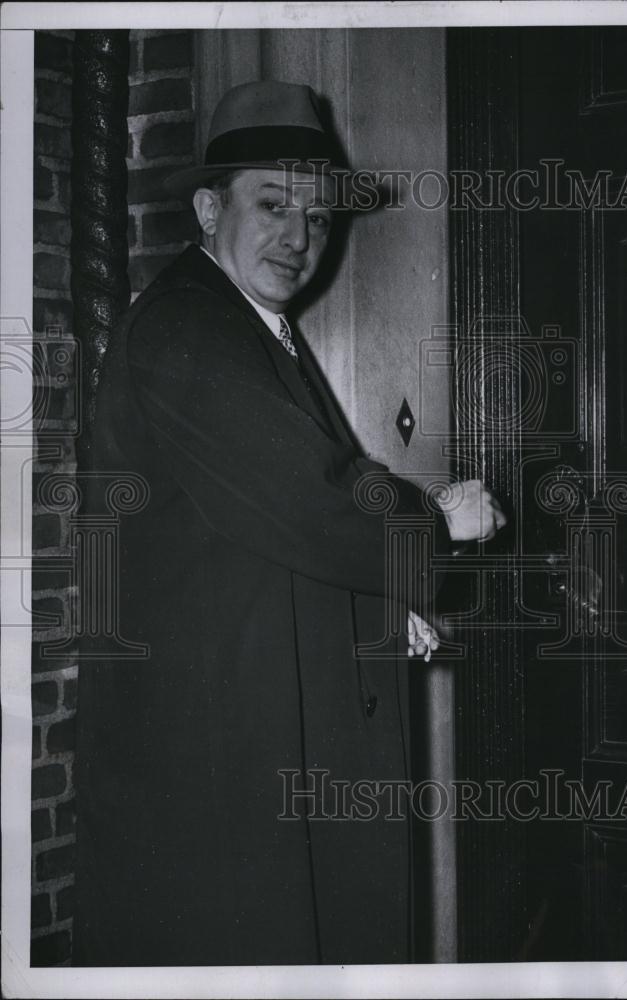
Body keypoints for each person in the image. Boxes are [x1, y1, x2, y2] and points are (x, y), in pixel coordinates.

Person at [72, 80, 505, 967]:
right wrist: (439, 526)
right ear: (207, 207)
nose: (299, 238)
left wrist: (386, 602)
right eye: (273, 205)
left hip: (255, 725)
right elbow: (311, 500)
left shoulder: (253, 325)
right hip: (216, 751)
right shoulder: (189, 326)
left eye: (316, 216)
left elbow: (260, 523)